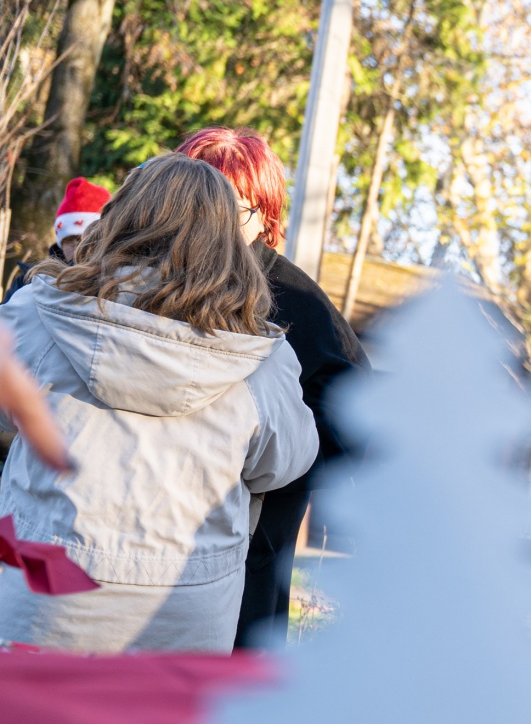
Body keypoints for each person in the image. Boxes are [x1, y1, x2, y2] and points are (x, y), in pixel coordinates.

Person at [0, 153, 318, 652]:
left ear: (120, 218)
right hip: (183, 618)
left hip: (42, 602)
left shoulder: (41, 313)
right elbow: (286, 464)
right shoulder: (262, 358)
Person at [177, 127, 365, 647]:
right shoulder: (160, 276)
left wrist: (269, 466)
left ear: (264, 214)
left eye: (232, 207)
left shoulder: (293, 299)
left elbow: (360, 415)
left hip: (250, 540)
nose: (212, 222)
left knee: (234, 672)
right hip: (158, 537)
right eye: (198, 201)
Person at [5, 178, 111, 302]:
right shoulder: (28, 282)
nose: (81, 249)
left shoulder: (120, 284)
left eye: (91, 241)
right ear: (62, 244)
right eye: (74, 240)